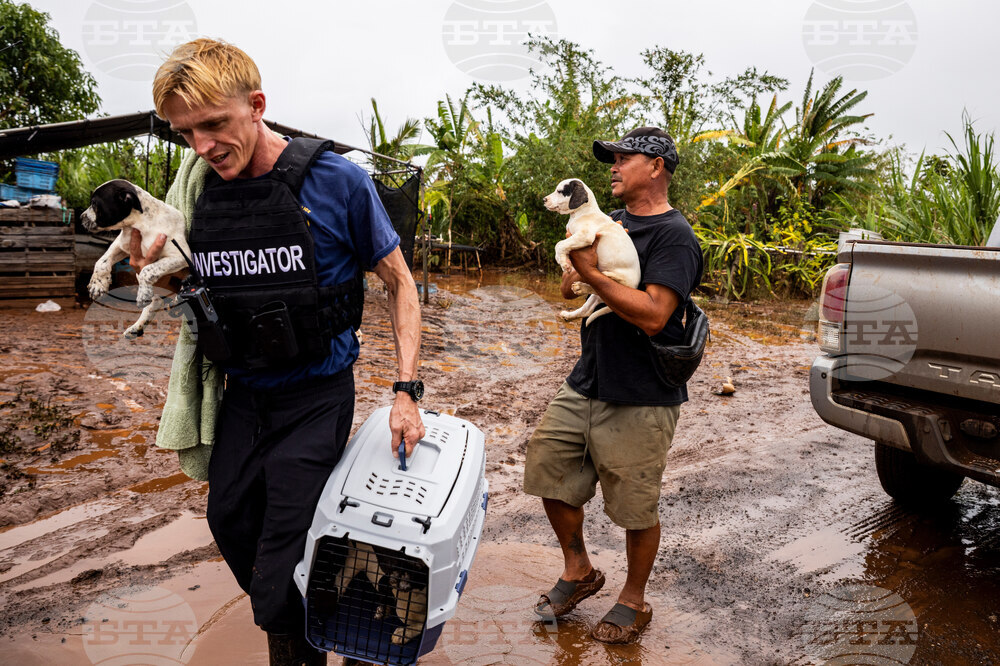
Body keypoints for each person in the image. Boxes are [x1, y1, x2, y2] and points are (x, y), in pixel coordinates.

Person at [139, 39, 426, 665]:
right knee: (230, 523)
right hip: (242, 394)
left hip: (316, 396)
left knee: (283, 558)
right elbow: (193, 289)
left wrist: (405, 391)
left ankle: (304, 640)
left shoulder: (337, 182)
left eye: (215, 124)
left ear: (257, 104)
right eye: (186, 133)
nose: (203, 147)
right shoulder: (195, 195)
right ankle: (331, 610)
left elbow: (401, 284)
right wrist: (158, 273)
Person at [523, 126, 703, 644]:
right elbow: (570, 282)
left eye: (626, 158)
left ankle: (633, 600)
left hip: (642, 392)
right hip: (588, 380)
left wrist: (590, 273)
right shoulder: (605, 223)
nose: (614, 166)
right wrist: (573, 271)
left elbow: (652, 315)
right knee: (547, 468)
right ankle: (578, 569)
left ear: (657, 167)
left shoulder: (674, 236)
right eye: (612, 159)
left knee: (634, 506)